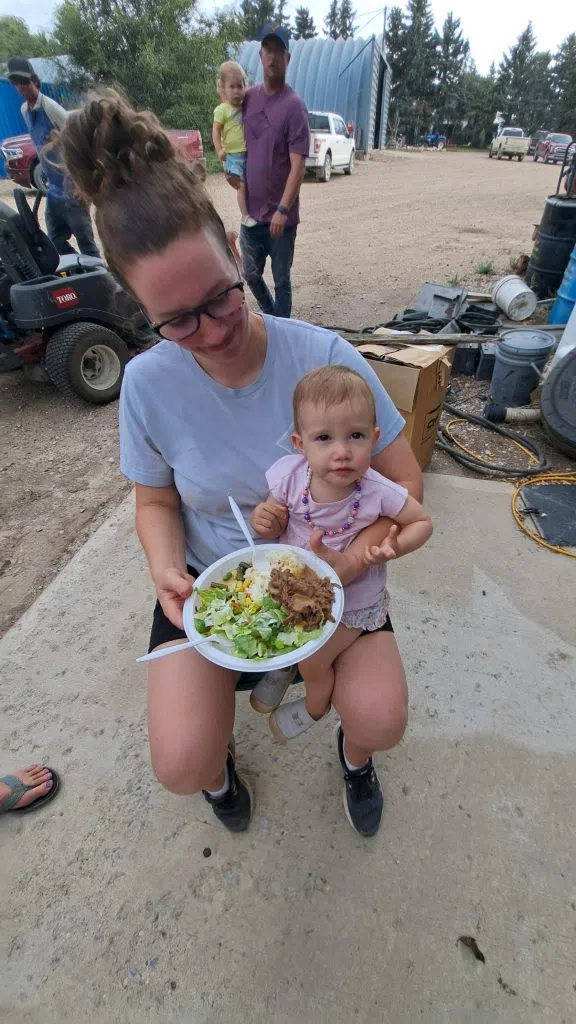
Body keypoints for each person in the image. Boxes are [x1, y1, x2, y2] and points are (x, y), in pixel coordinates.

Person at [57, 89, 423, 838]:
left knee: (381, 718)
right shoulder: (146, 385)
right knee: (181, 762)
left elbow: (405, 481)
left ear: (233, 248)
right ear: (141, 311)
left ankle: (354, 757)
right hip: (217, 586)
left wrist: (353, 560)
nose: (212, 331)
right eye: (176, 321)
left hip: (331, 576)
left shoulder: (323, 357)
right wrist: (167, 570)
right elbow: (155, 502)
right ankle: (221, 772)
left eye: (222, 298)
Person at [251, 366, 433, 744]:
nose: (342, 452)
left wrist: (394, 546)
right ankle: (283, 665)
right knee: (277, 627)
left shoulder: (377, 491)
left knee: (313, 660)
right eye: (324, 438)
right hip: (293, 587)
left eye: (356, 436)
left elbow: (422, 522)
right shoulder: (289, 477)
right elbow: (271, 519)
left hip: (351, 602)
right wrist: (264, 520)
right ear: (300, 444)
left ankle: (315, 706)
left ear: (374, 438)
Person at [239, 23, 309, 319]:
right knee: (249, 274)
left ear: (287, 58)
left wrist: (283, 209)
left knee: (282, 282)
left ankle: (282, 331)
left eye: (278, 51)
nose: (272, 56)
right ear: (260, 55)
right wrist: (230, 169)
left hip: (281, 219)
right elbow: (233, 140)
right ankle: (272, 320)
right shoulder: (247, 99)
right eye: (267, 49)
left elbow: (298, 165)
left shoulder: (294, 107)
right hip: (251, 216)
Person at [6, 58, 99, 258]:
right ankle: (79, 270)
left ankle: (97, 273)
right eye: (17, 84)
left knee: (87, 245)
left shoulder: (50, 108)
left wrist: (81, 182)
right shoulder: (24, 111)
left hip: (72, 189)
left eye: (25, 82)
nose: (22, 88)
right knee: (55, 243)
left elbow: (78, 139)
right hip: (54, 190)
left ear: (35, 81)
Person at [212, 61, 257, 228]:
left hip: (246, 154)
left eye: (240, 86)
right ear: (223, 89)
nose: (237, 91)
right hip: (232, 157)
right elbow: (216, 131)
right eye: (232, 87)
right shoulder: (222, 110)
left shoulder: (246, 106)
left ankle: (253, 211)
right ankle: (245, 216)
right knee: (241, 186)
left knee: (251, 184)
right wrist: (219, 150)